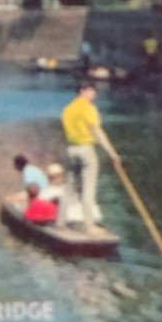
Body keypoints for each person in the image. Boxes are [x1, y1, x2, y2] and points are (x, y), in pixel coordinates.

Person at [60, 81, 118, 231]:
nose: (94, 94)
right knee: (88, 189)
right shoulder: (88, 108)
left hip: (71, 150)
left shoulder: (67, 109)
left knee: (69, 187)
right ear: (83, 91)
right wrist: (112, 152)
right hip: (86, 150)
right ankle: (89, 226)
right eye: (92, 91)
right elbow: (97, 131)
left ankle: (60, 223)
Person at [14, 153, 57, 224]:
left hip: (41, 194)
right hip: (44, 191)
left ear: (18, 165)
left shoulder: (27, 172)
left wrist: (29, 204)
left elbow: (33, 189)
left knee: (18, 200)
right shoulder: (31, 168)